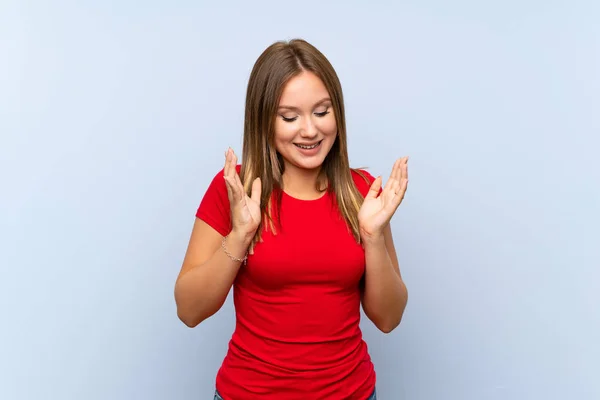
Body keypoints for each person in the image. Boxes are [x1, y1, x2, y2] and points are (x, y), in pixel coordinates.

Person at [174, 38, 409, 400]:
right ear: (263, 119)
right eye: (289, 117)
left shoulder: (362, 192)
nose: (310, 130)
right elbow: (189, 310)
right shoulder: (235, 189)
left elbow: (389, 319)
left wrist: (372, 237)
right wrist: (239, 236)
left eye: (321, 111)